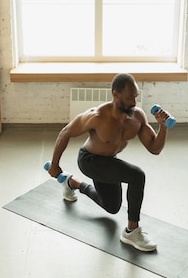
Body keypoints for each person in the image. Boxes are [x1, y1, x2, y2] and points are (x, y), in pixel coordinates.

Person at [47, 73, 172, 252]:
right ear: (116, 95)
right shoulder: (97, 116)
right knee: (137, 175)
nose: (134, 103)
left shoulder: (137, 118)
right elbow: (65, 132)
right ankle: (132, 231)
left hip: (108, 162)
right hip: (89, 161)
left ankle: (71, 182)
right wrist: (54, 164)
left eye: (135, 97)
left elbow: (154, 148)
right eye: (130, 98)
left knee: (112, 207)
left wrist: (163, 127)